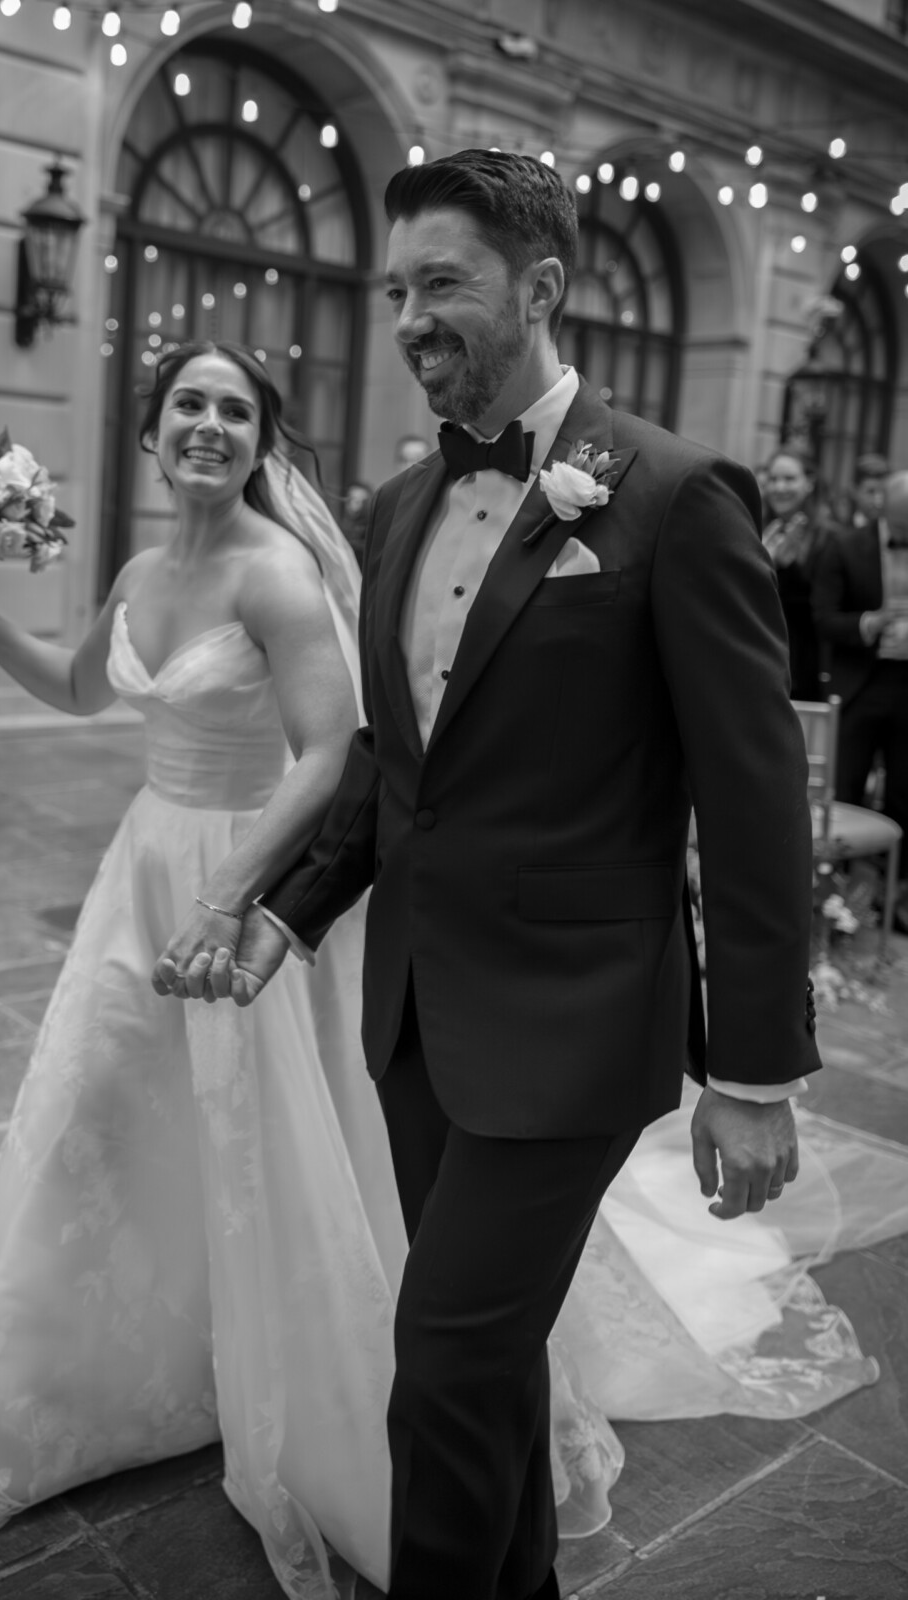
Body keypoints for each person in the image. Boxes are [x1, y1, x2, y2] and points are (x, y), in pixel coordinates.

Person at [187, 151, 822, 1600]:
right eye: (393, 288)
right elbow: (392, 765)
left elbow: (750, 797)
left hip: (577, 1019)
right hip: (416, 1015)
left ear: (537, 290)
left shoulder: (674, 496)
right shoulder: (399, 503)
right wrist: (288, 910)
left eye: (441, 285)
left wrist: (753, 1071)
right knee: (487, 1360)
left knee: (441, 1358)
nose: (408, 316)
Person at [0, 340, 411, 1589]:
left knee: (266, 1130)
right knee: (107, 1111)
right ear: (151, 429)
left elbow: (329, 755)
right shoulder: (136, 568)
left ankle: (290, 1365)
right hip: (143, 869)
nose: (210, 425)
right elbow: (79, 690)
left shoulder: (277, 576)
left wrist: (235, 893)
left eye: (236, 410)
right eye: (190, 403)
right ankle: (122, 1364)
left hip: (246, 875)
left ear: (259, 439)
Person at [813, 466, 908, 927]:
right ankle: (838, 902)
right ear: (883, 508)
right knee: (845, 789)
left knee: (905, 793)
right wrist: (867, 624)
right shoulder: (847, 546)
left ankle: (895, 901)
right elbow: (823, 618)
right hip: (860, 685)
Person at [760, 444, 829, 700]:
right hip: (756, 654)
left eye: (789, 479)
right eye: (774, 479)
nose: (780, 488)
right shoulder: (752, 526)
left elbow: (819, 610)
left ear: (809, 482)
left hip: (801, 665)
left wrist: (786, 568)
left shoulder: (829, 538)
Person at [340, 479, 374, 565]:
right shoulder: (337, 530)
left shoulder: (373, 534)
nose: (358, 504)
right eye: (353, 500)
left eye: (364, 501)